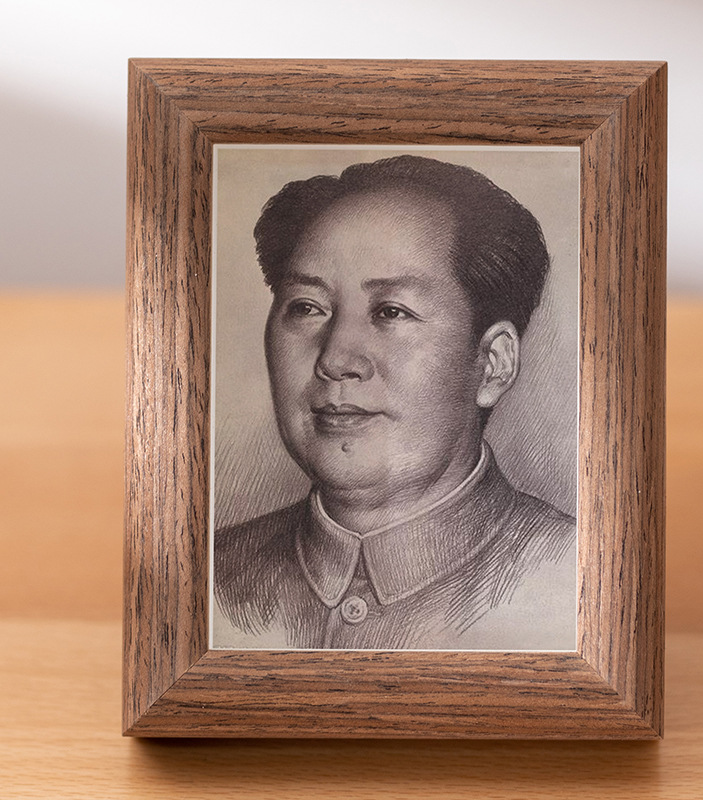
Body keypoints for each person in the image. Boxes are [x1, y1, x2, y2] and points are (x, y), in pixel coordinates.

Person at [213, 155, 576, 650]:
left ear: (493, 364)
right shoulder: (210, 578)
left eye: (390, 312)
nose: (335, 360)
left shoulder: (571, 577)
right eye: (307, 307)